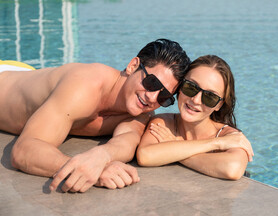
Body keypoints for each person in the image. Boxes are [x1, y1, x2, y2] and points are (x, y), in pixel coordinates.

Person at [0, 39, 190, 192]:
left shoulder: (140, 112)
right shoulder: (84, 86)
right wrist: (89, 170)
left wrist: (102, 156)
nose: (152, 97)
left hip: (27, 77)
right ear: (133, 65)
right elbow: (23, 150)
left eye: (164, 96)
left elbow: (126, 141)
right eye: (151, 83)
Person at [136, 55, 254, 180]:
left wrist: (175, 146)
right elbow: (145, 156)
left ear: (219, 105)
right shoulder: (164, 123)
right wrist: (216, 144)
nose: (196, 100)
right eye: (191, 87)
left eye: (210, 97)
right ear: (180, 87)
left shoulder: (230, 136)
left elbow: (232, 169)